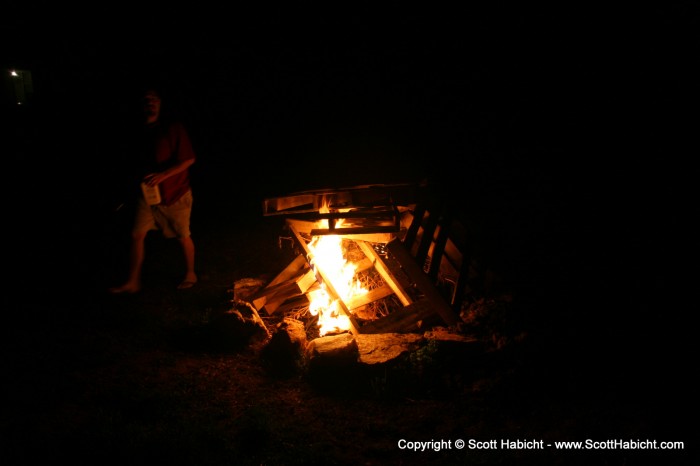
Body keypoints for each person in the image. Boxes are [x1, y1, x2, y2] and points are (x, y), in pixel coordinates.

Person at [109, 87, 198, 294]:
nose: (150, 102)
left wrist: (164, 175)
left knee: (182, 235)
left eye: (154, 98)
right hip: (147, 195)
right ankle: (133, 282)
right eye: (146, 99)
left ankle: (191, 273)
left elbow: (189, 159)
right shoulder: (138, 131)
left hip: (174, 193)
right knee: (136, 234)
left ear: (160, 103)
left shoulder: (172, 128)